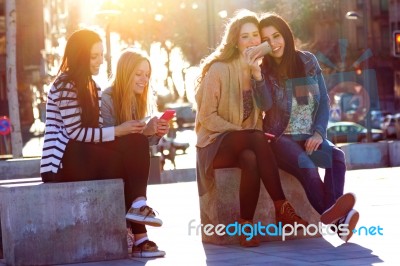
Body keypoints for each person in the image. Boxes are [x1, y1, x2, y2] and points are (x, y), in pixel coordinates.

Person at [40, 29, 164, 258]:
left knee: (134, 143)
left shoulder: (93, 87)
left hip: (83, 155)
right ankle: (139, 235)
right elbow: (75, 133)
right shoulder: (65, 84)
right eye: (94, 56)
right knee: (122, 143)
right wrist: (118, 130)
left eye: (101, 55)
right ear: (80, 56)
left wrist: (137, 133)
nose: (100, 61)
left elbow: (97, 131)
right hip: (60, 163)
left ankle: (139, 214)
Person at [195, 9, 308, 248]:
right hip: (215, 145)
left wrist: (256, 74)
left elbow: (265, 107)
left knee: (250, 158)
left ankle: (246, 225)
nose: (251, 41)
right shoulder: (218, 69)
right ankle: (282, 207)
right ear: (235, 41)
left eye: (255, 35)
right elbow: (207, 117)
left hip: (244, 145)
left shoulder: (260, 69)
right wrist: (240, 132)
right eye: (244, 36)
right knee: (254, 139)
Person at [254, 12, 359, 242]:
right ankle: (341, 221)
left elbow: (323, 101)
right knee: (308, 168)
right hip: (280, 138)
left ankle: (338, 222)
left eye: (276, 36)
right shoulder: (263, 70)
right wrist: (258, 75)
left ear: (286, 36)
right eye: (266, 39)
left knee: (337, 157)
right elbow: (265, 104)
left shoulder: (307, 61)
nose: (273, 43)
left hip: (309, 133)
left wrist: (319, 132)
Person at [101, 48, 169, 257]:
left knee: (134, 157)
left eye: (147, 74)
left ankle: (140, 221)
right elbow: (106, 136)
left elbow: (138, 144)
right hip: (105, 159)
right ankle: (141, 232)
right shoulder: (107, 97)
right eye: (138, 74)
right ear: (125, 72)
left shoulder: (140, 100)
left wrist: (154, 132)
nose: (144, 79)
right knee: (128, 165)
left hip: (126, 159)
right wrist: (139, 134)